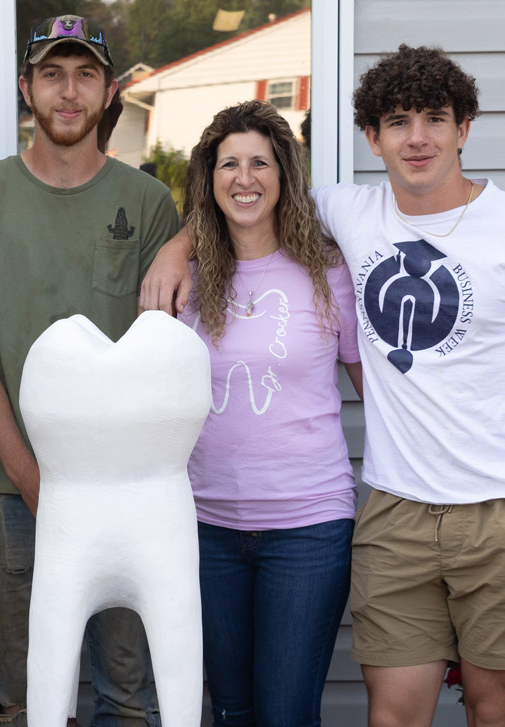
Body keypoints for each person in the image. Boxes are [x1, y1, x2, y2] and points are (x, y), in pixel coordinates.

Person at [140, 44, 505, 727]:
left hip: (501, 505)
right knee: (393, 715)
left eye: (435, 119)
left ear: (464, 128)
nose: (418, 138)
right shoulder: (347, 213)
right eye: (398, 121)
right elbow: (242, 201)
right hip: (396, 508)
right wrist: (179, 246)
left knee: (497, 706)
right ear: (371, 137)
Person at [0, 15, 179, 727]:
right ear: (27, 88)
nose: (68, 92)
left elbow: (158, 353)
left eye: (84, 75)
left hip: (127, 488)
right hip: (14, 487)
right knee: (27, 695)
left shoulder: (147, 202)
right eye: (52, 74)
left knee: (126, 695)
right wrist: (31, 477)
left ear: (109, 92)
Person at [177, 101, 361, 727]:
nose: (244, 178)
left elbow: (376, 391)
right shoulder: (187, 280)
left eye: (259, 162)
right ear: (210, 179)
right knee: (230, 711)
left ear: (284, 175)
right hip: (205, 528)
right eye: (229, 164)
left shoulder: (329, 274)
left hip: (307, 528)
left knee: (285, 714)